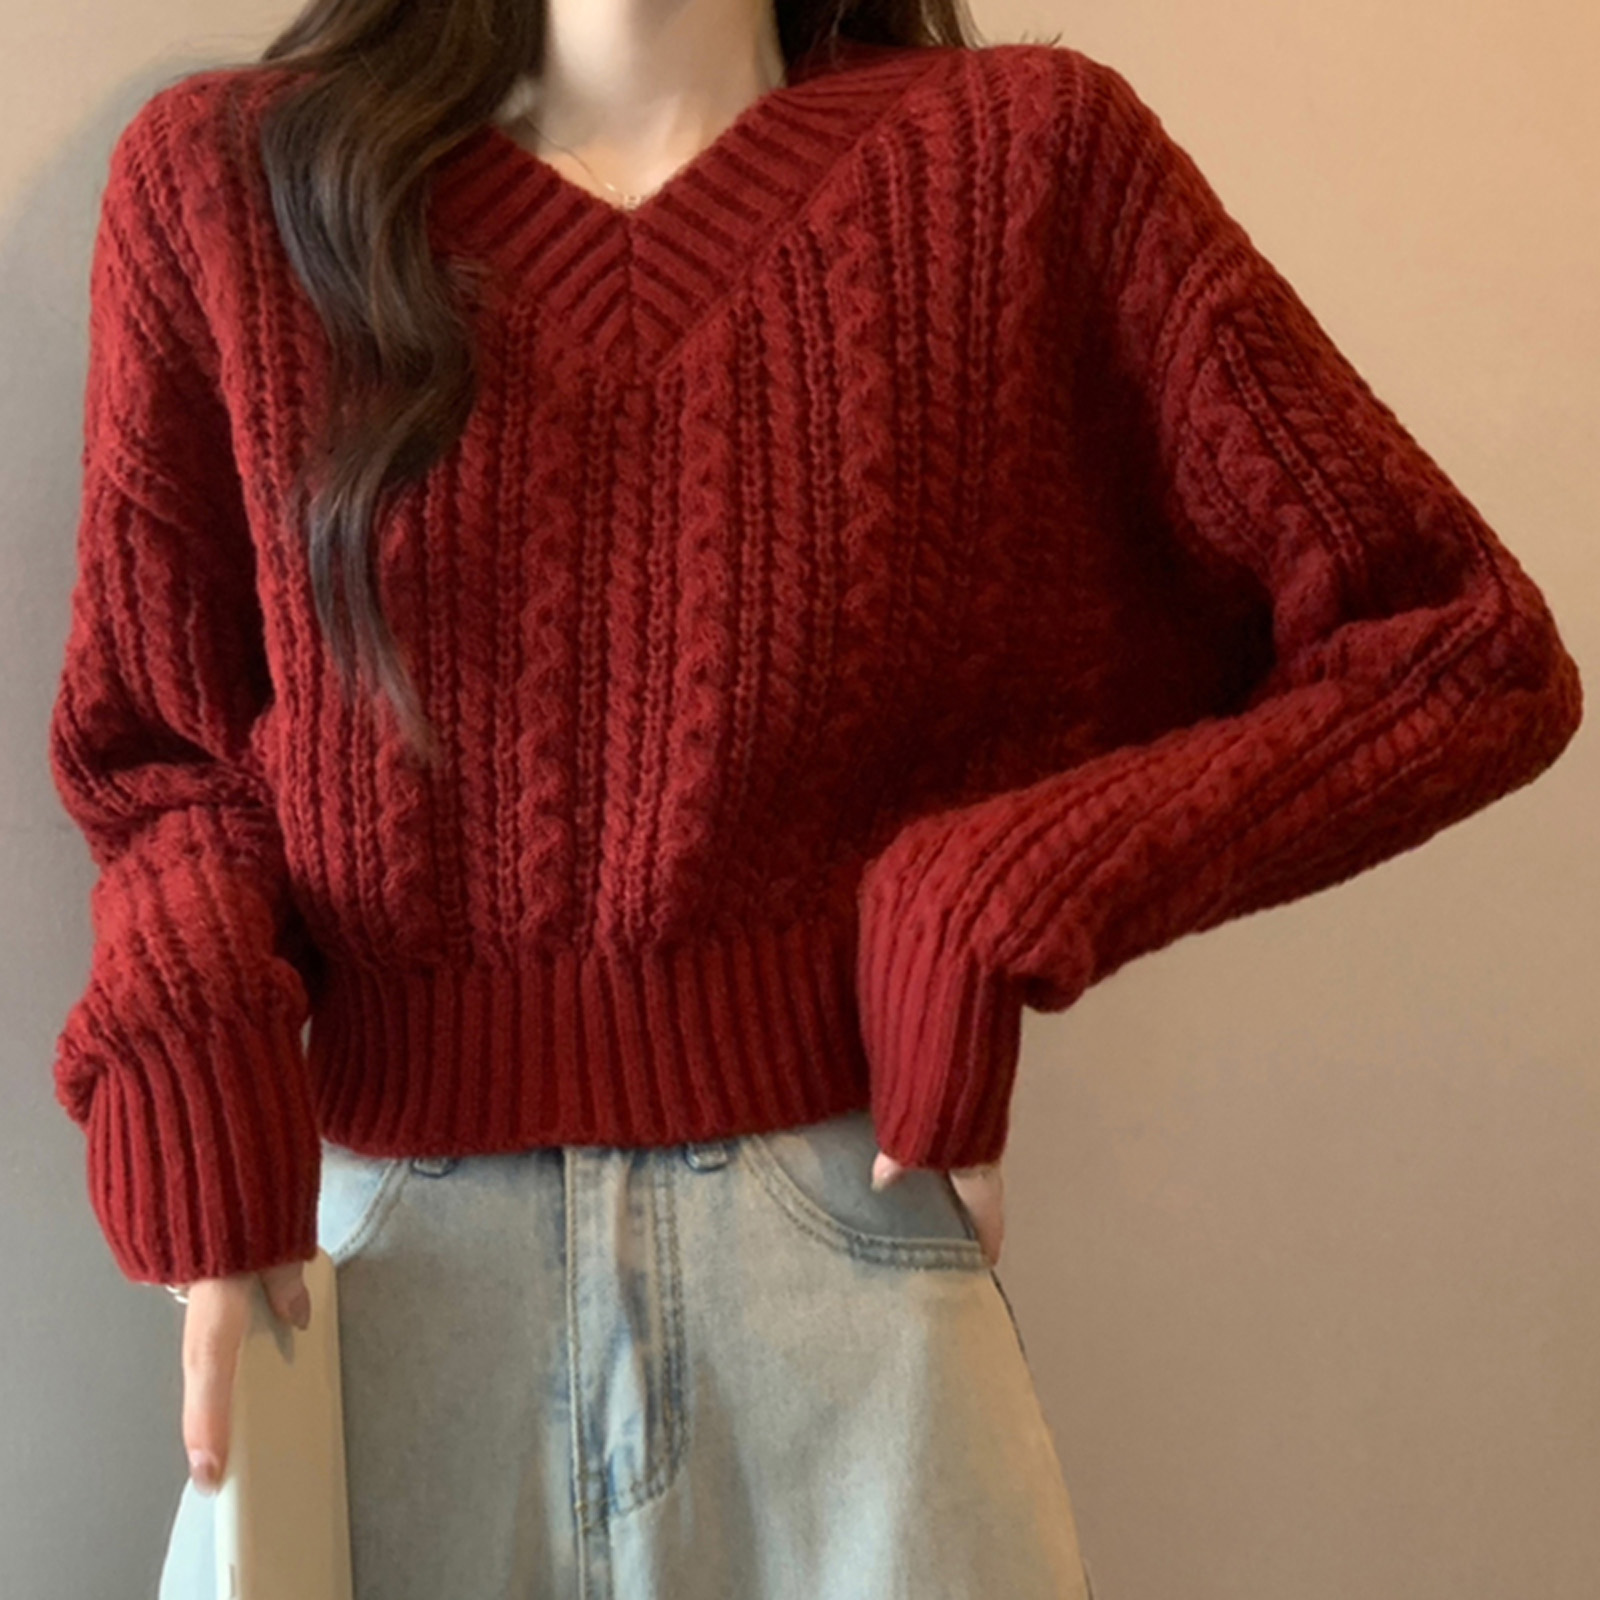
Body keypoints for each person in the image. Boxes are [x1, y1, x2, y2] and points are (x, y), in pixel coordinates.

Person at [47, 0, 1581, 1593]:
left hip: (844, 1285)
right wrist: (194, 1047)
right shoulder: (233, 184)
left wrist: (1006, 890)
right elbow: (158, 753)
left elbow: (1458, 647)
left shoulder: (1024, 165)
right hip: (366, 1294)